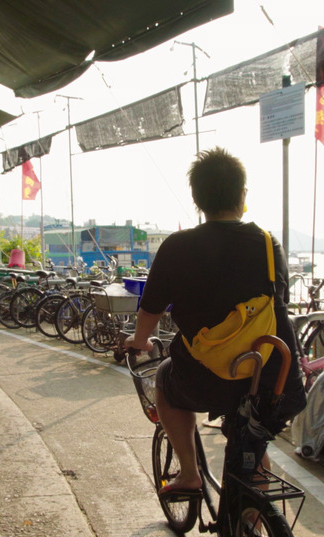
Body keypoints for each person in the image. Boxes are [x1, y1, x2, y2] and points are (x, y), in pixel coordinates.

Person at [124, 147, 306, 496]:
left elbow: (151, 308)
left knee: (165, 379)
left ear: (198, 200)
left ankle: (190, 474)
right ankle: (255, 525)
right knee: (249, 440)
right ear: (242, 195)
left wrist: (139, 340)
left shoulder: (177, 246)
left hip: (206, 376)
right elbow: (276, 303)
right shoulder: (269, 244)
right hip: (269, 376)